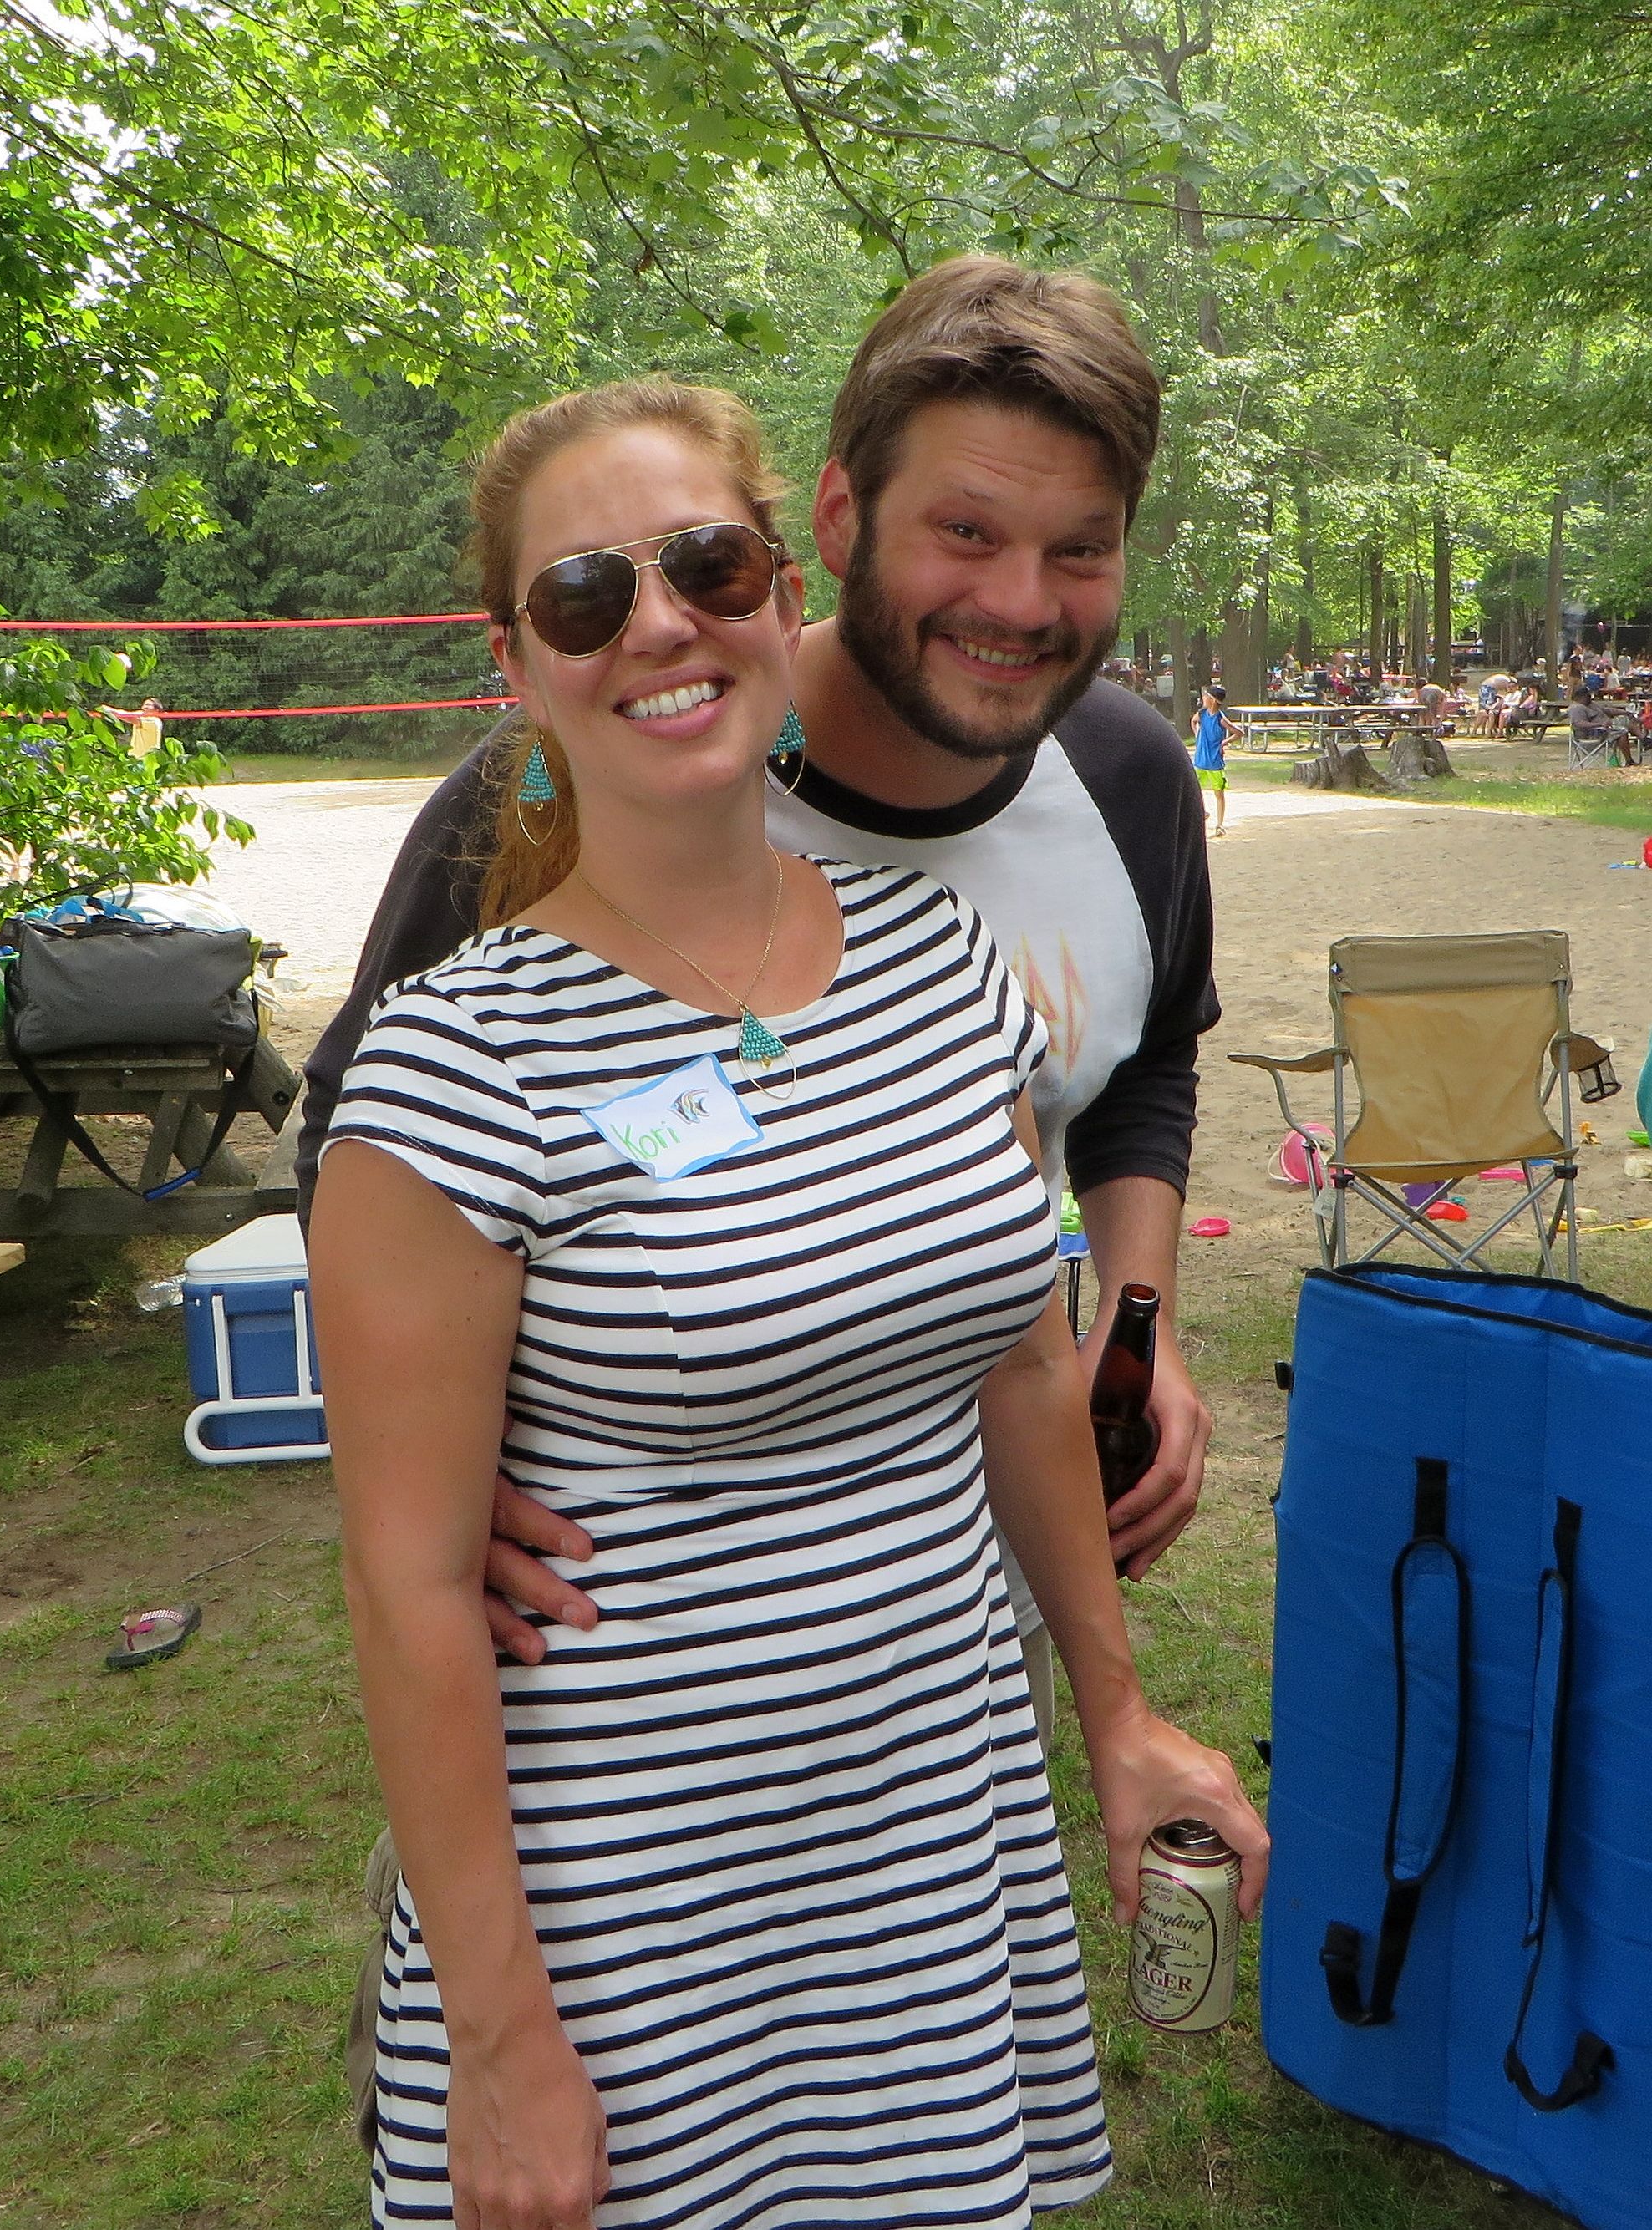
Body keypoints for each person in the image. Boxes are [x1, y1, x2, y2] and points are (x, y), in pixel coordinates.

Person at [310, 374, 1267, 2229]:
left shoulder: (943, 960)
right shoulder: (453, 1064)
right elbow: (409, 1588)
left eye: (706, 563)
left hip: (925, 1847)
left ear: (780, 584)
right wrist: (502, 2039)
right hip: (621, 1906)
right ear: (515, 661)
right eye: (585, 594)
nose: (660, 623)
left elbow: (1018, 1363)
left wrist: (1118, 1703)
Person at [1190, 682, 1240, 836]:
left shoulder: (1220, 718)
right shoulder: (1202, 714)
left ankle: (1220, 824)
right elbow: (1194, 721)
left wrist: (1223, 743)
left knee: (1219, 793)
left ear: (1212, 700)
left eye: (1206, 696)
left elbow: (1239, 732)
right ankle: (1202, 812)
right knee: (1194, 789)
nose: (1203, 698)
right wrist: (1197, 734)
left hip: (1214, 762)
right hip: (1200, 760)